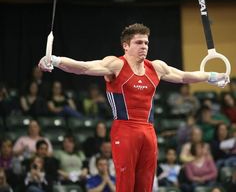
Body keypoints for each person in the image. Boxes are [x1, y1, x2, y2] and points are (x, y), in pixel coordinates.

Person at [38, 23, 229, 192]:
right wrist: (55, 60)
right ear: (126, 45)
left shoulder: (156, 67)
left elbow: (184, 76)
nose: (144, 46)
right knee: (126, 182)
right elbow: (84, 67)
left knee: (146, 182)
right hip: (124, 129)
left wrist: (213, 76)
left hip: (149, 131)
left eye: (146, 42)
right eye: (139, 42)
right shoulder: (115, 65)